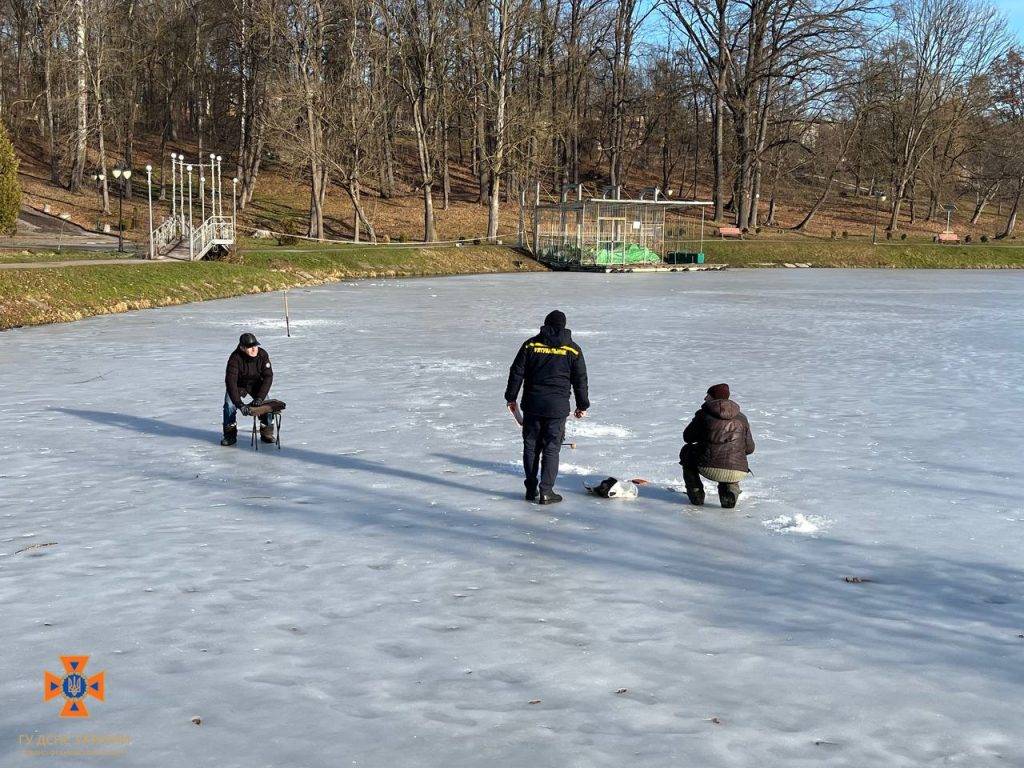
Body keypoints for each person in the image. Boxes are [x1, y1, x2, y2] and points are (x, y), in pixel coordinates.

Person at [504, 310, 589, 505]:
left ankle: (531, 488)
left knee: (531, 446)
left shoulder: (531, 345)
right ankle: (546, 491)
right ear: (564, 327)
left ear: (545, 325)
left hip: (533, 404)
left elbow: (516, 372)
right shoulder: (573, 349)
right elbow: (580, 380)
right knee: (551, 448)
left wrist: (511, 397)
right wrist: (582, 404)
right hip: (557, 408)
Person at [679, 383, 755, 508]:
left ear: (714, 398)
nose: (705, 399)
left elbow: (687, 438)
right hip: (737, 471)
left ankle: (696, 492)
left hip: (707, 467)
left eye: (707, 395)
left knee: (687, 451)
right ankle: (730, 491)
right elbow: (750, 448)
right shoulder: (742, 418)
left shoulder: (703, 415)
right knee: (733, 456)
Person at [221, 332, 275, 446]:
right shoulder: (235, 358)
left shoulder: (262, 355)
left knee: (267, 404)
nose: (254, 349)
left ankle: (267, 432)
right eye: (250, 347)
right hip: (239, 385)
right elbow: (231, 383)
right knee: (229, 405)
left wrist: (260, 397)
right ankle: (229, 435)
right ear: (242, 347)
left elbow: (268, 377)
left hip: (256, 384)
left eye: (255, 346)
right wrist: (240, 404)